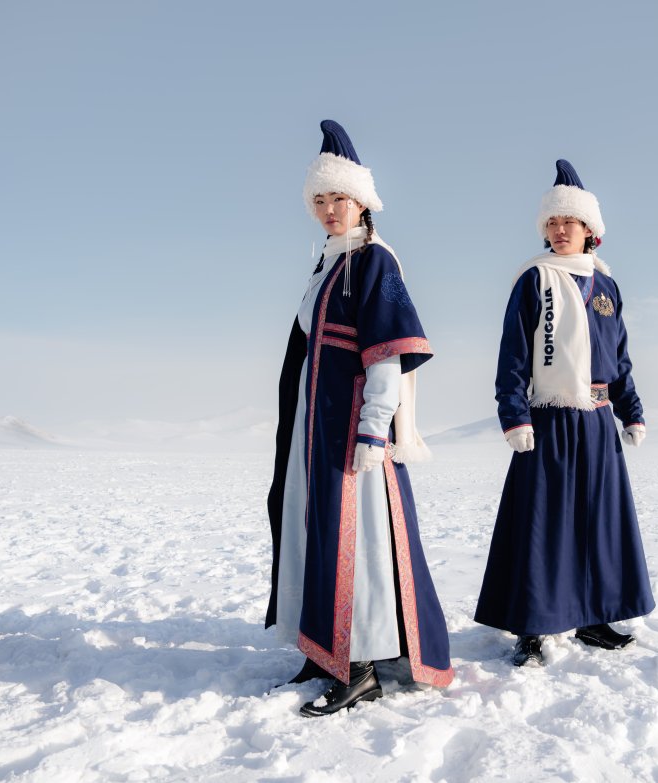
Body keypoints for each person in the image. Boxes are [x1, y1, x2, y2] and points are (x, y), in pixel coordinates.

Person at [265, 120, 453, 716]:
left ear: (362, 201)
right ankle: (324, 650)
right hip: (314, 432)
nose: (328, 209)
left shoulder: (374, 262)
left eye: (337, 198)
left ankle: (363, 663)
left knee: (361, 543)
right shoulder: (325, 266)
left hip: (352, 432)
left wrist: (376, 425)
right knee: (317, 535)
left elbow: (389, 353)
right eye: (318, 200)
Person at [474, 159, 655, 666]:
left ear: (589, 231)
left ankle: (595, 616)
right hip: (550, 417)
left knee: (599, 521)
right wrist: (514, 416)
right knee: (543, 524)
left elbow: (618, 358)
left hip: (597, 421)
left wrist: (631, 411)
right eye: (551, 223)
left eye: (567, 223)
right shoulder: (534, 280)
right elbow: (512, 354)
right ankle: (532, 627)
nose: (557, 231)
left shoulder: (607, 288)